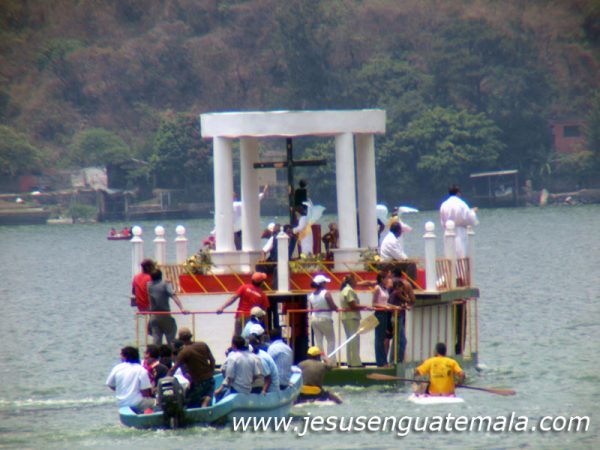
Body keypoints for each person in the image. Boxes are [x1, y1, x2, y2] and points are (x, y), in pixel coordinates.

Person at [168, 327, 216, 408]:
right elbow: (212, 360)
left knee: (188, 404)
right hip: (210, 379)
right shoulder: (202, 345)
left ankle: (203, 402)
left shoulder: (184, 352)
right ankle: (206, 400)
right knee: (206, 401)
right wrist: (211, 372)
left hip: (198, 382)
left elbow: (174, 369)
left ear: (180, 339)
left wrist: (165, 379)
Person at [216, 271, 270, 336]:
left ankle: (235, 342)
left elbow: (233, 298)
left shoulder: (244, 287)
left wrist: (222, 308)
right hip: (252, 318)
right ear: (261, 283)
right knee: (249, 336)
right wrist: (266, 328)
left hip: (240, 315)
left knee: (236, 335)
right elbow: (265, 313)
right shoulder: (262, 295)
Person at [147, 269, 189, 346]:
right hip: (165, 315)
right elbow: (173, 296)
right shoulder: (165, 284)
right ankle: (172, 351)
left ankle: (156, 353)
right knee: (171, 337)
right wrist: (182, 308)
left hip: (153, 316)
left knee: (156, 340)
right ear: (161, 276)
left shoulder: (148, 285)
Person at [106, 346, 154, 412]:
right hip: (137, 403)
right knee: (157, 402)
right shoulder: (141, 370)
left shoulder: (117, 368)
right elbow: (145, 392)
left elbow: (110, 384)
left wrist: (121, 389)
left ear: (125, 357)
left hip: (121, 403)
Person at [439, 185, 478, 259]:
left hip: (447, 231)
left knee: (449, 254)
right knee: (461, 254)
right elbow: (468, 216)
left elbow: (442, 220)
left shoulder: (444, 204)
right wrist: (473, 211)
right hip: (460, 231)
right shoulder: (461, 203)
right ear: (458, 193)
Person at [307, 275, 338, 364]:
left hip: (314, 318)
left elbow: (312, 307)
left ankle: (322, 359)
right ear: (322, 284)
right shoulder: (326, 293)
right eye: (325, 283)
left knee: (319, 341)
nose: (326, 284)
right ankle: (331, 361)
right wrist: (336, 308)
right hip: (325, 318)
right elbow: (332, 305)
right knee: (331, 340)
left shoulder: (311, 295)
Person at [387, 273, 415, 364]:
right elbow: (390, 305)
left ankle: (397, 360)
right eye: (401, 288)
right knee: (398, 340)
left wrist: (403, 305)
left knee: (401, 341)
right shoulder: (395, 294)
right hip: (396, 318)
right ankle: (394, 361)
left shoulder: (397, 295)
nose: (402, 290)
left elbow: (407, 301)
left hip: (399, 317)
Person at [339, 274, 366, 367]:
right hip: (351, 317)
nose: (356, 282)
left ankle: (350, 361)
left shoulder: (344, 290)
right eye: (355, 280)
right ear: (351, 281)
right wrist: (365, 307)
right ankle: (355, 362)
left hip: (347, 317)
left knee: (350, 340)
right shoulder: (349, 290)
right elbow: (353, 305)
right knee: (354, 340)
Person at [233, 185, 269, 250]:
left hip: (232, 231)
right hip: (238, 231)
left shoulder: (227, 207)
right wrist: (263, 194)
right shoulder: (237, 205)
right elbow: (251, 202)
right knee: (240, 248)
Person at [372, 271, 393, 367]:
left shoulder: (385, 289)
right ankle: (380, 362)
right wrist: (384, 307)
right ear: (382, 279)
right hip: (379, 314)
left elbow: (385, 302)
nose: (388, 280)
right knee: (379, 338)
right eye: (386, 278)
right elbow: (374, 303)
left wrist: (393, 306)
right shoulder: (377, 288)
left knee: (383, 337)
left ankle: (384, 360)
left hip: (385, 314)